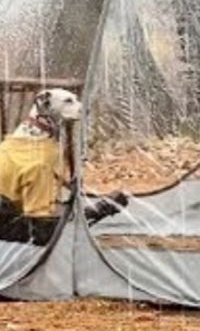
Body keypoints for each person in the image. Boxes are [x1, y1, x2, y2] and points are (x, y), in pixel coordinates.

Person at [0, 89, 126, 245]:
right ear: (45, 106)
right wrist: (93, 213)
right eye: (68, 102)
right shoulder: (39, 162)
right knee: (45, 231)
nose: (81, 106)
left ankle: (84, 214)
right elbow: (39, 226)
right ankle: (89, 214)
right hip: (6, 221)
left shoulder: (12, 146)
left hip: (8, 209)